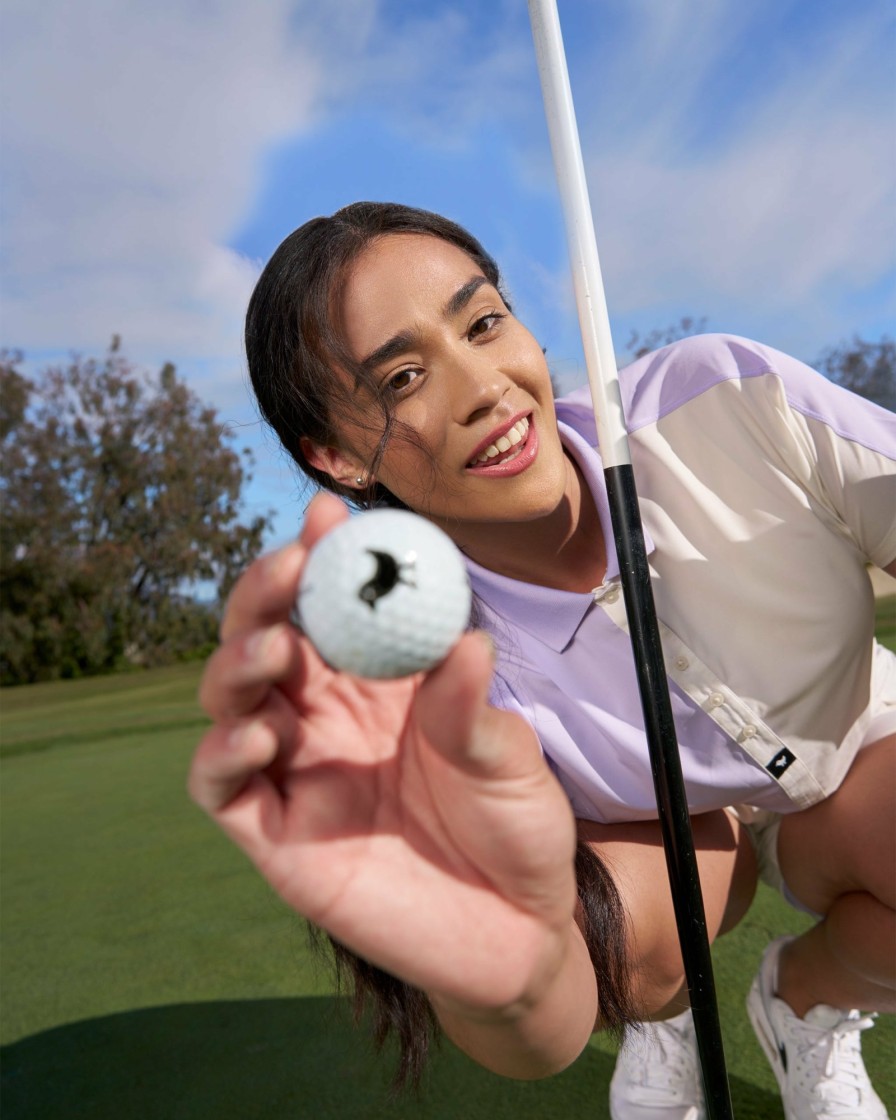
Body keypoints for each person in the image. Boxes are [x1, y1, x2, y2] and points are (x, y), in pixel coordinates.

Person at [188, 202, 896, 1120]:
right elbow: (536, 1018)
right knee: (626, 952)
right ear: (335, 456)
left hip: (854, 743)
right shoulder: (434, 670)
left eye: (484, 323)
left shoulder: (722, 394)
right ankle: (664, 1017)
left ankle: (806, 1001)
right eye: (404, 378)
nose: (485, 386)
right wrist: (513, 976)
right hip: (662, 832)